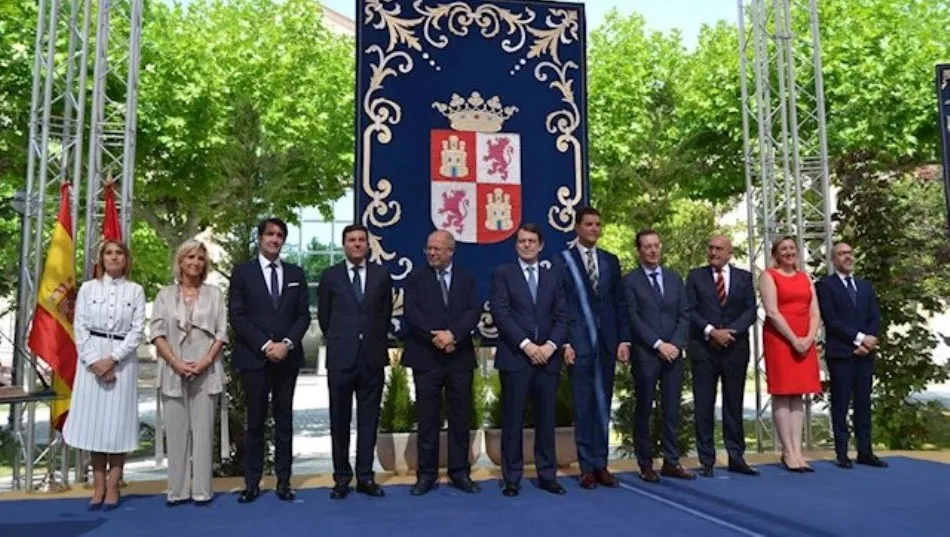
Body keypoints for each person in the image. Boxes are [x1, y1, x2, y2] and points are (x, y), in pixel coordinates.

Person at [228, 218, 310, 503]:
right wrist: (265, 345)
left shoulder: (296, 273)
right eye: (270, 234)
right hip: (255, 358)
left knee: (284, 420)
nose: (275, 239)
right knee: (256, 422)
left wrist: (286, 344)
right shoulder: (243, 273)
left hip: (286, 359)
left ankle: (284, 482)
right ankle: (252, 483)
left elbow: (303, 316)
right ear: (260, 238)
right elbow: (237, 315)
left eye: (279, 235)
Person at [63, 240, 146, 510]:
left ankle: (113, 484)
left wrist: (112, 359)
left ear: (126, 259)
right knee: (95, 425)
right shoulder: (88, 289)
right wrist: (94, 361)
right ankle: (97, 485)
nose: (114, 257)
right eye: (108, 253)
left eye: (119, 253)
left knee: (117, 425)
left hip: (122, 360)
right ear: (101, 259)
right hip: (91, 361)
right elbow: (80, 327)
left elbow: (137, 331)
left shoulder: (135, 291)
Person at [490, 223, 570, 497]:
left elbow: (562, 316)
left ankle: (547, 475)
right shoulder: (503, 274)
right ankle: (512, 478)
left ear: (541, 245)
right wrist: (527, 346)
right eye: (522, 241)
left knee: (546, 420)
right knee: (513, 421)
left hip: (548, 359)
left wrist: (549, 346)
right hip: (516, 358)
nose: (527, 245)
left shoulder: (554, 275)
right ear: (516, 245)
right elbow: (501, 314)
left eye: (531, 241)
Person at [555, 207, 630, 489]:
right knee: (583, 404)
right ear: (577, 227)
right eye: (588, 224)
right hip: (578, 342)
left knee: (603, 403)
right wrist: (564, 342)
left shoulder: (610, 261)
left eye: (598, 224)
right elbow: (559, 305)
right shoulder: (563, 261)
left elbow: (619, 303)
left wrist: (624, 340)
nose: (594, 229)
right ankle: (586, 466)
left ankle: (602, 464)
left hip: (608, 343)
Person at [150, 240, 229, 506]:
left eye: (200, 258)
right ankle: (178, 490)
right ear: (180, 261)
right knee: (176, 432)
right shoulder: (164, 295)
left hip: (207, 369)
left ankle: (202, 490)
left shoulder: (215, 294)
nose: (195, 262)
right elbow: (157, 333)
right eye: (190, 257)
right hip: (174, 369)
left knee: (204, 432)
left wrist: (205, 361)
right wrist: (176, 363)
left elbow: (221, 332)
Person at [317, 224, 393, 500]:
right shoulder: (330, 276)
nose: (357, 244)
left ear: (368, 244)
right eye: (352, 240)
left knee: (369, 419)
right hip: (341, 357)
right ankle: (341, 477)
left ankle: (365, 476)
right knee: (339, 419)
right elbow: (325, 317)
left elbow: (384, 314)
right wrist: (343, 339)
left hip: (371, 357)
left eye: (362, 240)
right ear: (344, 244)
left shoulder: (382, 275)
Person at [402, 230, 482, 496]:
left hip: (459, 357)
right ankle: (426, 475)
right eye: (429, 248)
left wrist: (453, 335)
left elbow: (474, 310)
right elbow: (412, 312)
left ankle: (460, 472)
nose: (432, 253)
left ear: (451, 250)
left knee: (460, 417)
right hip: (427, 357)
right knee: (427, 418)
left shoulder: (467, 278)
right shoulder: (415, 278)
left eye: (438, 248)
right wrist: (436, 336)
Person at [685, 235, 758, 477]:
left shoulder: (744, 278)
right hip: (704, 349)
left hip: (735, 349)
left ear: (729, 253)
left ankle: (736, 456)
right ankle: (707, 459)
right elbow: (690, 310)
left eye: (719, 249)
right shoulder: (696, 276)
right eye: (711, 248)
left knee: (734, 404)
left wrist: (731, 332)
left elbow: (750, 310)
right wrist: (711, 332)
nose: (713, 252)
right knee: (704, 405)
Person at [623, 229, 692, 483]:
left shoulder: (675, 278)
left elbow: (685, 313)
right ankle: (645, 463)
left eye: (656, 246)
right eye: (647, 247)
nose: (653, 250)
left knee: (672, 408)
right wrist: (657, 343)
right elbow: (633, 318)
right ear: (639, 251)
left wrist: (674, 343)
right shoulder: (630, 281)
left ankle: (671, 461)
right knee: (644, 409)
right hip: (646, 354)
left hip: (673, 354)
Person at [816, 242, 887, 469]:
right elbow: (831, 320)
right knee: (841, 403)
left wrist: (869, 340)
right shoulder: (825, 286)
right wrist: (858, 339)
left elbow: (874, 316)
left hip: (865, 355)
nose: (847, 257)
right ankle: (842, 452)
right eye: (841, 254)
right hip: (842, 354)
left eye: (849, 253)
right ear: (833, 259)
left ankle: (865, 451)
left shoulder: (865, 286)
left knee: (864, 403)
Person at [759, 235, 822, 472]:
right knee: (783, 393)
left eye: (792, 248)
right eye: (783, 249)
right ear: (775, 254)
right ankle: (787, 451)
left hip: (805, 339)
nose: (788, 252)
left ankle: (797, 450)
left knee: (798, 395)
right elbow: (772, 312)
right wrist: (794, 340)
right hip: (781, 339)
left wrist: (808, 338)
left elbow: (815, 311)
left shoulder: (805, 277)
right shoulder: (768, 276)